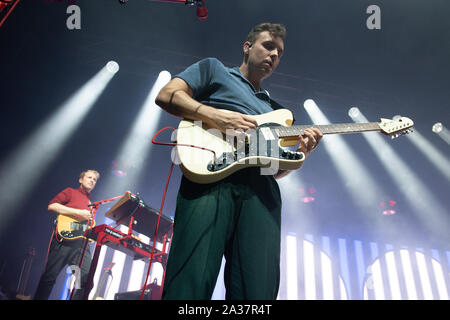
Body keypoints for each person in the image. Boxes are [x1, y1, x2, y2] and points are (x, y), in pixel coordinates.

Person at [155, 22, 322, 299]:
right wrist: (216, 115)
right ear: (247, 47)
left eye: (279, 53)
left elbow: (272, 169)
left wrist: (301, 154)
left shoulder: (277, 111)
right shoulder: (214, 70)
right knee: (190, 278)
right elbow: (166, 96)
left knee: (257, 288)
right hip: (210, 178)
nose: (273, 56)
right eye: (268, 46)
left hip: (260, 193)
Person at [34, 169, 100, 300]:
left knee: (86, 282)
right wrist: (79, 212)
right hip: (64, 241)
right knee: (49, 278)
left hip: (81, 245)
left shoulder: (92, 205)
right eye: (89, 177)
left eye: (94, 180)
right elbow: (52, 206)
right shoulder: (71, 192)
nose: (92, 181)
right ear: (80, 180)